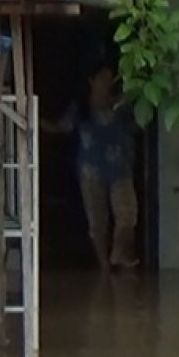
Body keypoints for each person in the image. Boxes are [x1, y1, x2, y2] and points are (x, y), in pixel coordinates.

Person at [43, 64, 139, 271]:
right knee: (97, 220)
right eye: (103, 78)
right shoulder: (81, 108)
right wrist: (32, 119)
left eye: (110, 79)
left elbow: (137, 121)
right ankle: (104, 267)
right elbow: (61, 127)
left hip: (119, 167)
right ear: (91, 81)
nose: (107, 83)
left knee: (128, 213)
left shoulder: (121, 105)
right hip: (90, 170)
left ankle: (118, 254)